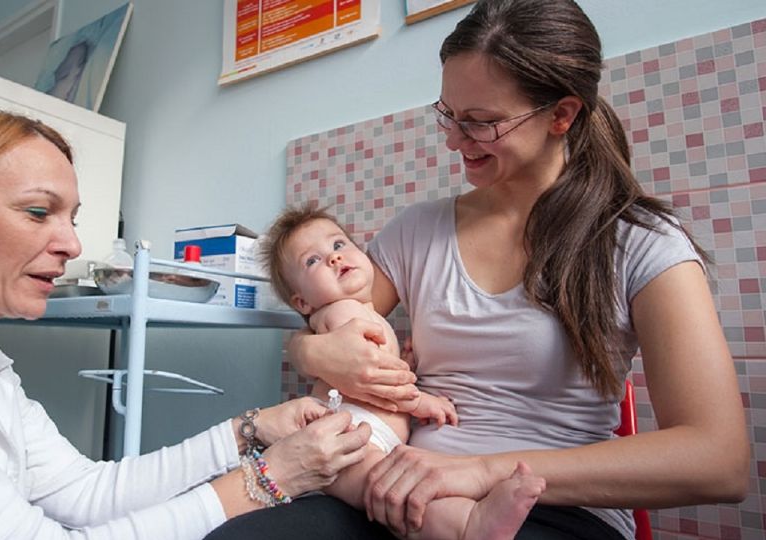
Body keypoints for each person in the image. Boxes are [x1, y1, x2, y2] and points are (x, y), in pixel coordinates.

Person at [209, 1, 749, 539]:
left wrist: (484, 471)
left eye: (481, 123)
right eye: (448, 114)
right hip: (400, 495)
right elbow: (330, 317)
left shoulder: (638, 242)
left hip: (553, 511)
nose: (453, 139)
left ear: (562, 115)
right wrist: (308, 349)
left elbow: (719, 460)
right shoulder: (418, 232)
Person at [0, 105, 373, 539]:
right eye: (37, 212)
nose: (72, 244)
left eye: (72, 219)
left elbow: (83, 492)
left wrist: (249, 431)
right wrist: (267, 478)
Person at [257, 204, 546, 539]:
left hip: (368, 437)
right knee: (389, 490)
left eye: (338, 245)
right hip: (348, 441)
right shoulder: (341, 313)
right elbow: (378, 378)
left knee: (395, 486)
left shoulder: (360, 313)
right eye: (312, 260)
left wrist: (404, 366)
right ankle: (468, 525)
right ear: (302, 303)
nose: (333, 258)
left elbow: (370, 373)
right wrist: (419, 401)